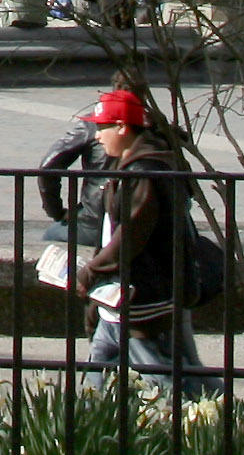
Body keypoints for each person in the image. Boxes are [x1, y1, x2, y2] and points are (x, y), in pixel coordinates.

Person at [74, 87, 221, 404]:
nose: (98, 137)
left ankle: (219, 415)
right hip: (118, 301)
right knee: (96, 377)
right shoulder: (129, 164)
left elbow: (133, 235)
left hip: (142, 299)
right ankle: (84, 429)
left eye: (103, 128)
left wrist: (93, 270)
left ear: (123, 128)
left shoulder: (145, 171)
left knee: (168, 380)